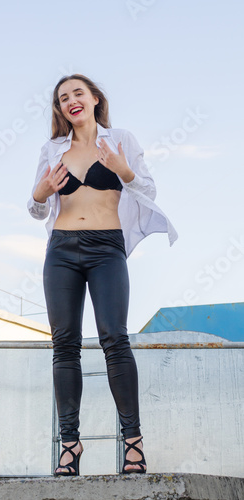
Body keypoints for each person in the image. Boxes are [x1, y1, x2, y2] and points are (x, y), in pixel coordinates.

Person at [27, 74, 178, 476]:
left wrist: (122, 169)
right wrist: (41, 193)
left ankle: (133, 443)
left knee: (114, 337)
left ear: (94, 98)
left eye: (78, 93)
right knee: (64, 345)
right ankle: (69, 446)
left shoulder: (121, 140)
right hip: (61, 250)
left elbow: (147, 188)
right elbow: (38, 206)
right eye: (63, 98)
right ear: (60, 110)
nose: (71, 100)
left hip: (107, 247)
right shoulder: (52, 148)